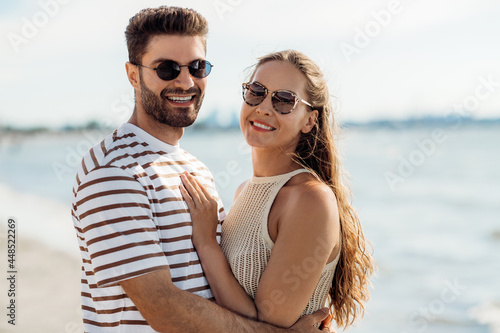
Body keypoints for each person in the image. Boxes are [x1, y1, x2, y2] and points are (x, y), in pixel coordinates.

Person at [71, 6, 332, 333]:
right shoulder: (114, 171)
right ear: (133, 74)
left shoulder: (195, 169)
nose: (185, 81)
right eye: (167, 69)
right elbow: (165, 310)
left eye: (197, 67)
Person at [180, 49, 375, 330]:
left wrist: (207, 243)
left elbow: (265, 325)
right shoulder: (243, 191)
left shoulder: (310, 199)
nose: (264, 107)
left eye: (284, 100)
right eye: (257, 91)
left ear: (309, 120)